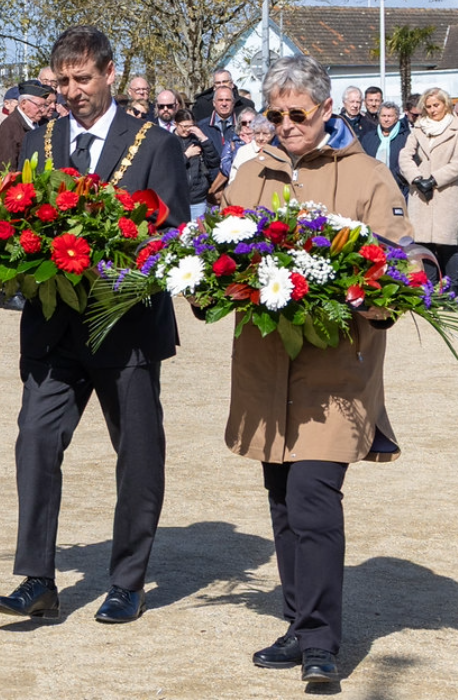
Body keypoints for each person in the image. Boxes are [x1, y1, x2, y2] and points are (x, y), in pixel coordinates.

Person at [0, 25, 188, 624]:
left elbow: (173, 235)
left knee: (138, 453)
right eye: (63, 81)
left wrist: (124, 269)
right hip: (53, 329)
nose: (73, 91)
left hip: (126, 326)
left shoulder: (155, 144)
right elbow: (18, 224)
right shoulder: (38, 142)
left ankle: (128, 580)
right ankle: (37, 579)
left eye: (83, 79)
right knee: (36, 443)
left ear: (109, 74)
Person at [222, 54, 410, 685]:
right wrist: (207, 284)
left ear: (326, 110)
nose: (283, 124)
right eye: (273, 114)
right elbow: (218, 253)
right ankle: (300, 624)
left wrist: (373, 293)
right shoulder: (251, 173)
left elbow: (402, 262)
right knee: (281, 497)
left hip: (336, 370)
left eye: (296, 113)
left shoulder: (369, 174)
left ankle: (324, 642)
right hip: (265, 366)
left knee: (311, 497)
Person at [399, 88, 458, 283]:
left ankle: (454, 292)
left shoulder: (455, 128)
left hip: (446, 193)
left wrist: (434, 180)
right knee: (424, 246)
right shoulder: (419, 127)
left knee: (450, 246)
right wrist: (416, 178)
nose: (433, 110)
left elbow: (457, 163)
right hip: (421, 196)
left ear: (445, 104)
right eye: (429, 106)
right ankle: (430, 291)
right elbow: (405, 155)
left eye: (436, 105)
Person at [174, 108, 219, 219]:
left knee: (199, 232)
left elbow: (214, 162)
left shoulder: (197, 140)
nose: (187, 130)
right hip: (177, 199)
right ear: (176, 124)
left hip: (198, 198)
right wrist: (186, 155)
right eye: (184, 127)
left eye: (191, 126)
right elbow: (169, 167)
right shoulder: (170, 141)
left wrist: (203, 139)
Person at [0, 80, 50, 172]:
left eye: (44, 106)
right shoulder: (9, 127)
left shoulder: (44, 123)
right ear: (23, 103)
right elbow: (6, 169)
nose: (43, 110)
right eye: (39, 105)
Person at [360, 101, 410, 197]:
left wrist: (392, 177)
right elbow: (363, 160)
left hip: (399, 187)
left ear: (396, 117)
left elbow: (408, 162)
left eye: (390, 116)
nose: (386, 119)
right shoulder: (369, 137)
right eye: (383, 116)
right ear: (379, 117)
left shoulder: (406, 137)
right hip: (373, 187)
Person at [228, 113, 274, 182]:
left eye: (265, 133)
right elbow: (233, 179)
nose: (261, 138)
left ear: (272, 134)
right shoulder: (243, 151)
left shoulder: (276, 152)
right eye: (257, 133)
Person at [219, 107, 258, 177]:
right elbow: (225, 167)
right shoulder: (232, 141)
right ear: (240, 124)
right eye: (244, 123)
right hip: (237, 181)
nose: (248, 125)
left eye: (251, 122)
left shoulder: (262, 140)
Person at [198, 86, 237, 150]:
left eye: (228, 100)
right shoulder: (202, 127)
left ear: (233, 103)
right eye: (220, 100)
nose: (224, 104)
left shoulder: (242, 125)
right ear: (214, 103)